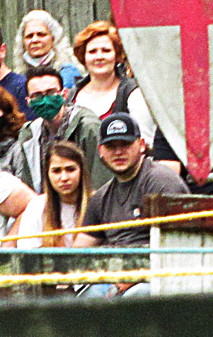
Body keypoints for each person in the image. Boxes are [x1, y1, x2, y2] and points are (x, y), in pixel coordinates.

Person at [73, 113, 189, 298]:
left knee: (135, 296)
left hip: (159, 278)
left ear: (142, 145)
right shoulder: (101, 197)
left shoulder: (161, 182)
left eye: (125, 144)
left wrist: (130, 279)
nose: (118, 152)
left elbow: (177, 247)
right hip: (113, 277)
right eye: (111, 146)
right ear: (100, 150)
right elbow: (77, 253)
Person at [7, 66, 110, 192]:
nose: (45, 100)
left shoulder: (88, 127)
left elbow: (100, 182)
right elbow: (28, 182)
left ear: (64, 94)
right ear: (28, 101)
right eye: (37, 95)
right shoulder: (29, 133)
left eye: (51, 93)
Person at [68, 21, 155, 146]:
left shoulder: (133, 93)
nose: (99, 57)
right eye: (92, 51)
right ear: (83, 57)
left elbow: (145, 144)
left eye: (106, 50)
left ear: (117, 55)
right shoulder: (73, 96)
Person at [10, 141, 90, 249]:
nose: (64, 178)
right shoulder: (37, 206)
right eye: (56, 171)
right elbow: (28, 254)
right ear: (47, 174)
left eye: (70, 169)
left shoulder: (97, 203)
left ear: (82, 171)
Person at [12, 10, 83, 89]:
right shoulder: (18, 79)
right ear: (23, 42)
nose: (34, 40)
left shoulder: (68, 73)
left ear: (53, 38)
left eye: (41, 34)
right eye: (29, 36)